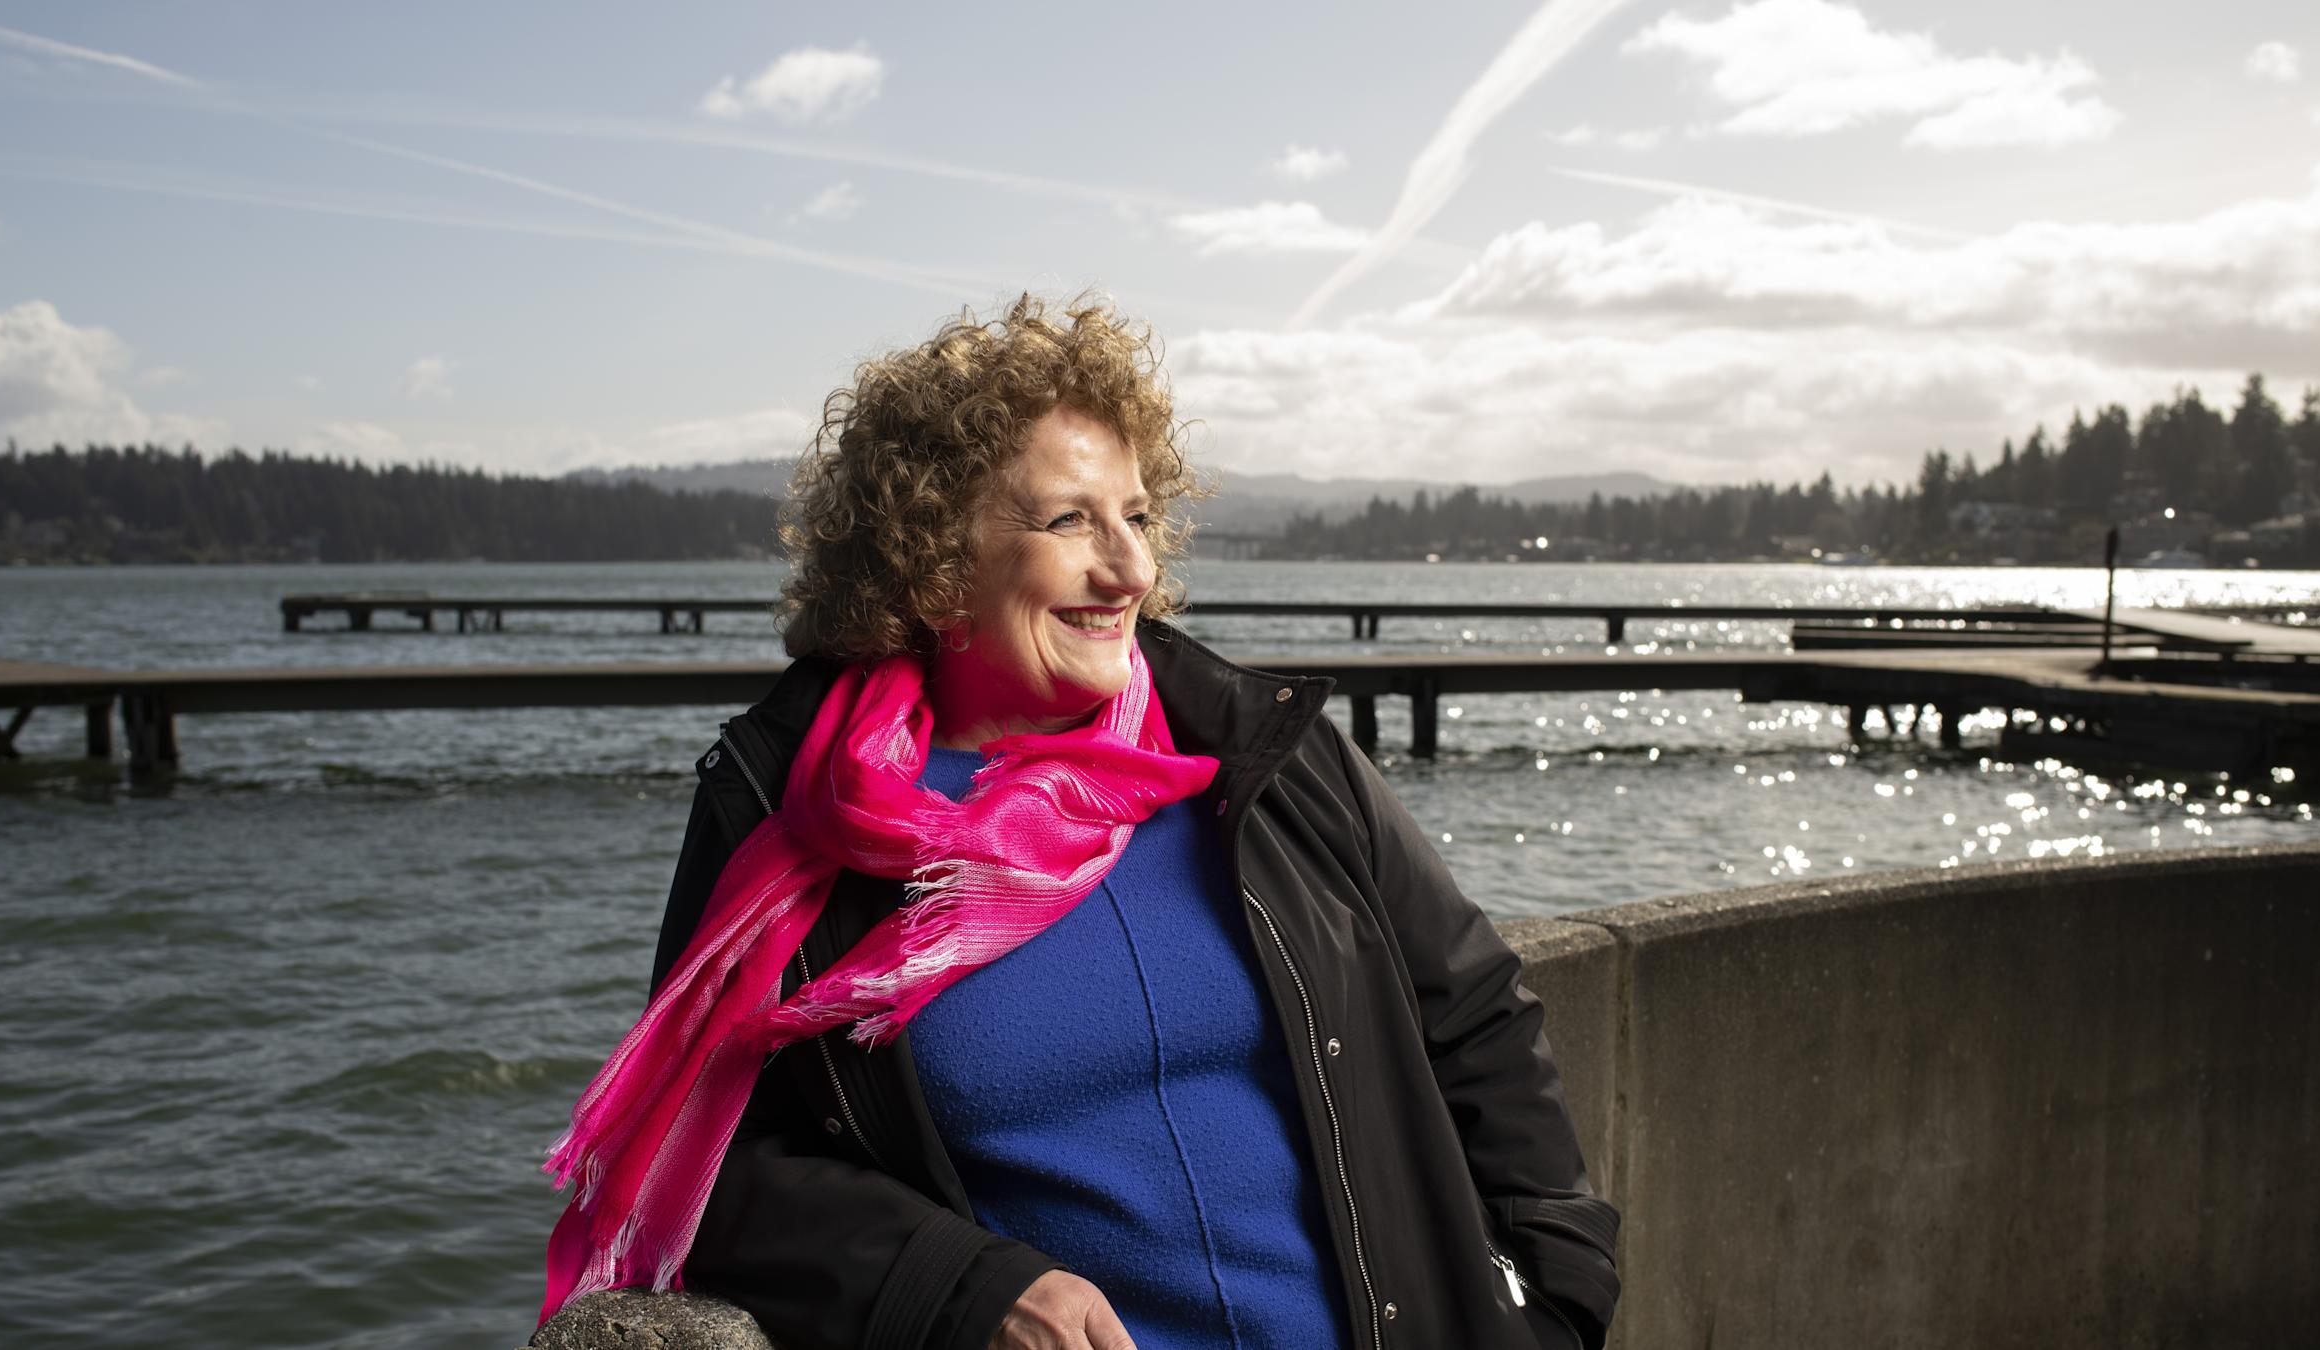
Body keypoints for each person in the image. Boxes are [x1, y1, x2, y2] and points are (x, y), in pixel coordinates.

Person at [539, 295, 1621, 1350]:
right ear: (931, 555)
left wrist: (1563, 1289)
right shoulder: (795, 816)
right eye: (1071, 521)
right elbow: (719, 1156)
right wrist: (967, 1290)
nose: (1133, 570)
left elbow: (1476, 1014)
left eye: (1139, 518)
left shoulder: (1258, 755)